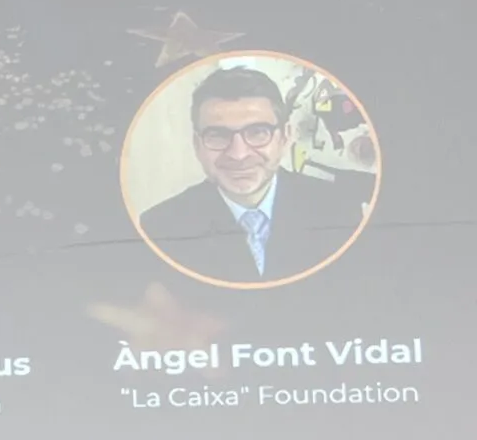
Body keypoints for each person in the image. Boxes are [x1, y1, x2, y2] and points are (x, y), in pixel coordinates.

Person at [134, 65, 373, 283]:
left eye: (258, 132)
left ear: (285, 137)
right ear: (197, 145)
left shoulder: (340, 211)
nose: (238, 154)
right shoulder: (158, 228)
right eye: (217, 135)